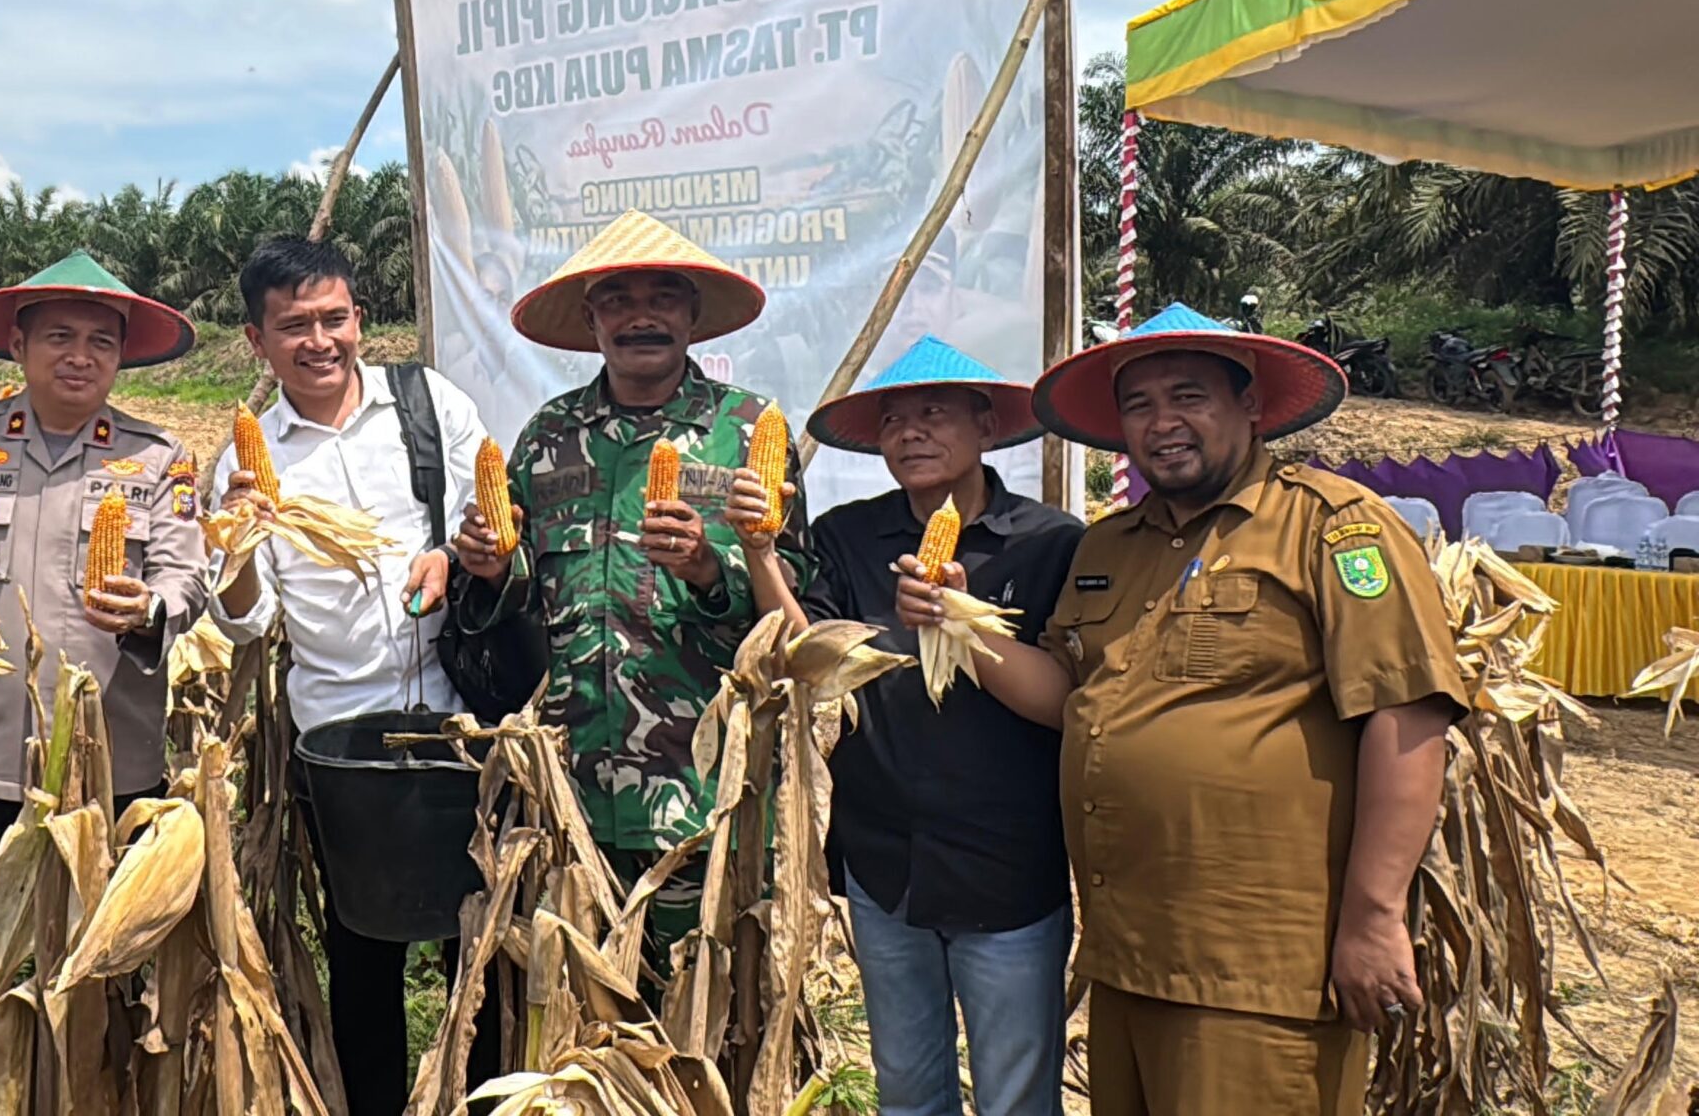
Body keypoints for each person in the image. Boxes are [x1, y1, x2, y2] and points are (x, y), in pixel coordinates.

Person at [904, 303, 1467, 1114]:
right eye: (1138, 405)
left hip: (1261, 970)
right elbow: (1069, 696)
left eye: (1188, 396)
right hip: (1127, 956)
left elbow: (1407, 716)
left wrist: (1375, 917)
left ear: (1251, 403)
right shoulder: (1109, 545)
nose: (1161, 422)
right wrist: (958, 623)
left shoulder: (1331, 527)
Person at [729, 335, 1079, 1116]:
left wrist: (962, 620)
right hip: (886, 864)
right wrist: (762, 555)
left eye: (934, 414)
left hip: (1008, 867)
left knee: (1018, 1099)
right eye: (893, 420)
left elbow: (1067, 701)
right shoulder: (849, 537)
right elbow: (808, 658)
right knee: (909, 1094)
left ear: (986, 427)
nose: (911, 433)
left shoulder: (1050, 543)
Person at [448, 209, 809, 955]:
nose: (641, 316)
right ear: (591, 320)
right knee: (579, 1006)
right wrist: (492, 567)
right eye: (617, 300)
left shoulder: (747, 432)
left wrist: (708, 569)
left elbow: (794, 604)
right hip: (569, 794)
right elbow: (525, 585)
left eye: (662, 297)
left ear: (692, 314)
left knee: (704, 1001)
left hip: (705, 795)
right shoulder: (548, 438)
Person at [210, 236, 499, 1116]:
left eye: (333, 318)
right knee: (363, 953)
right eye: (293, 326)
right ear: (257, 340)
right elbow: (246, 619)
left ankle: (482, 1097)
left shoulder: (427, 404)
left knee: (481, 953)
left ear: (359, 320)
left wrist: (454, 554)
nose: (319, 341)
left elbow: (489, 519)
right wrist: (240, 545)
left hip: (458, 728)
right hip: (339, 746)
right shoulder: (250, 459)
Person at [0, 250, 211, 1073]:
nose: (81, 356)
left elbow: (187, 578)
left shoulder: (159, 459)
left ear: (122, 356)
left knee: (100, 973)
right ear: (18, 345)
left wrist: (150, 608)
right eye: (60, 337)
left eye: (101, 341)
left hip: (109, 766)